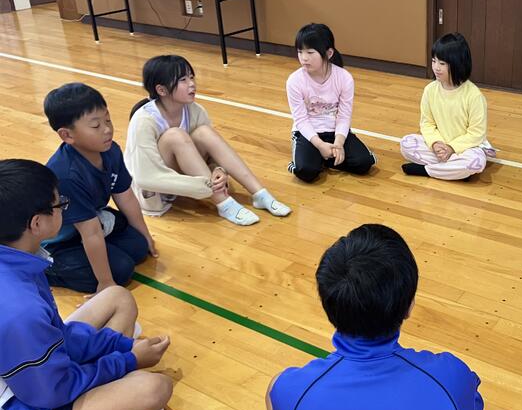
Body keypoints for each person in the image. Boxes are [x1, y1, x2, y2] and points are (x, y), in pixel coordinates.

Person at [0, 159, 172, 410]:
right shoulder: (20, 309)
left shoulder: (18, 260)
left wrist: (123, 346)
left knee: (117, 297)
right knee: (154, 389)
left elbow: (58, 337)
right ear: (37, 223)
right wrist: (128, 360)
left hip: (30, 375)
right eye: (59, 204)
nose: (63, 209)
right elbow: (51, 392)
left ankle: (108, 394)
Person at [265, 224, 483, 410]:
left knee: (274, 390)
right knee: (465, 408)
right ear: (409, 306)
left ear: (328, 307)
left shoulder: (290, 388)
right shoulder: (451, 374)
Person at [125, 55, 290, 225]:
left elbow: (211, 154)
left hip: (190, 177)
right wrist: (203, 186)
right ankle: (223, 203)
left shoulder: (194, 110)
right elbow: (145, 176)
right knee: (175, 136)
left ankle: (260, 194)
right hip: (158, 188)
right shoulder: (143, 120)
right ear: (161, 90)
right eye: (183, 80)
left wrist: (217, 170)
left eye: (191, 77)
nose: (192, 84)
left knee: (204, 132)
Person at [42, 83, 156, 293]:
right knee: (121, 270)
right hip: (60, 242)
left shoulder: (111, 151)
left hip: (90, 222)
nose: (107, 129)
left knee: (139, 246)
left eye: (108, 120)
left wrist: (146, 235)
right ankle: (48, 269)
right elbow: (91, 232)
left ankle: (95, 256)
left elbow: (125, 196)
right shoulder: (67, 175)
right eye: (96, 126)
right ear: (67, 135)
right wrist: (105, 282)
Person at [286, 23, 376, 183]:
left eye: (310, 52)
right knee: (306, 171)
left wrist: (339, 144)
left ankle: (325, 157)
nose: (304, 58)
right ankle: (321, 156)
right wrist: (320, 145)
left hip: (335, 131)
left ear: (328, 53)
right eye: (300, 52)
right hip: (308, 133)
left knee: (364, 163)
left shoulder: (344, 77)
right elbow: (301, 120)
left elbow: (344, 116)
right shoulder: (294, 80)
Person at [400, 33, 494, 180]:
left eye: (442, 63)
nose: (436, 67)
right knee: (406, 143)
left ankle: (427, 170)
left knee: (476, 163)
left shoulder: (474, 96)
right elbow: (427, 123)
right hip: (440, 146)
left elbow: (477, 134)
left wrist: (452, 148)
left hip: (465, 149)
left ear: (458, 64)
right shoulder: (430, 90)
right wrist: (436, 143)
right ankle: (452, 171)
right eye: (434, 61)